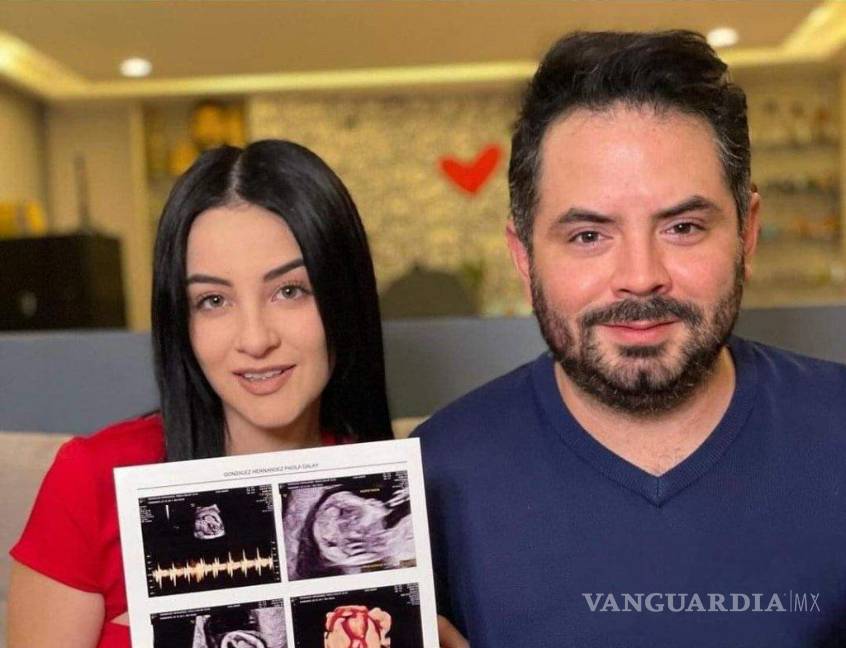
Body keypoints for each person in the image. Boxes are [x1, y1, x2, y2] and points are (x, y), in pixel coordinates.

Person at [415, 31, 846, 647]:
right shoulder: (431, 477)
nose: (640, 276)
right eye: (589, 236)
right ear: (523, 255)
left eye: (683, 227)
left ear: (747, 233)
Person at [7, 140, 397, 648]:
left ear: (344, 296)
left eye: (289, 291)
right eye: (213, 300)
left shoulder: (387, 501)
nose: (255, 339)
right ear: (181, 319)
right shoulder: (93, 480)